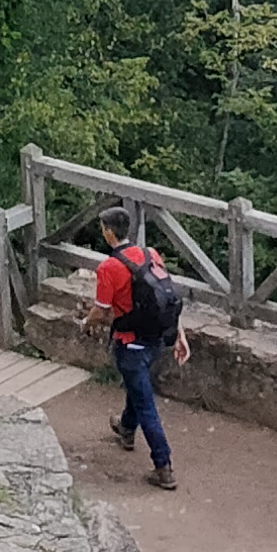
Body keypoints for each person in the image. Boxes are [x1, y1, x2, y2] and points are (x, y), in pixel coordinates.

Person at [84, 205, 188, 489]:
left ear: (108, 232)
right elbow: (167, 298)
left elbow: (101, 310)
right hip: (156, 339)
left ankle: (164, 467)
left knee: (145, 404)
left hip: (130, 343)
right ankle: (127, 429)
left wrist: (85, 323)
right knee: (137, 386)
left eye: (102, 229)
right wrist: (180, 334)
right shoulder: (150, 254)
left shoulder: (108, 267)